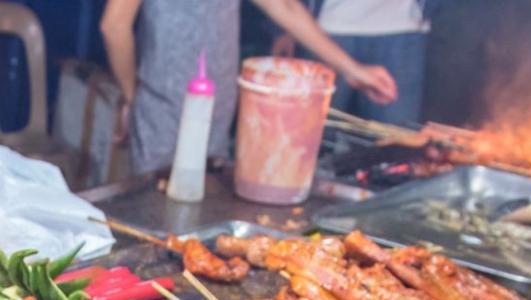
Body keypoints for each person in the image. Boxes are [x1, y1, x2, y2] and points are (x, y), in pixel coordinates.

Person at [100, 0, 400, 178]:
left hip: (217, 110)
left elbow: (286, 7)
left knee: (200, 224)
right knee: (158, 220)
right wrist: (133, 96)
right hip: (163, 111)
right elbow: (114, 26)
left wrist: (353, 70)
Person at [314, 0, 430, 127]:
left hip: (405, 24)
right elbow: (289, 9)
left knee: (397, 135)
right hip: (327, 26)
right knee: (316, 132)